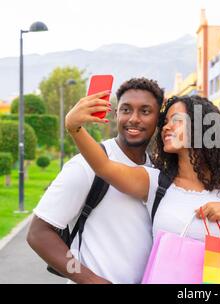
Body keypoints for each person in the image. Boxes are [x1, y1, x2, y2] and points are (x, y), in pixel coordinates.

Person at [65, 94, 220, 259]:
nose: (166, 127)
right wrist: (75, 128)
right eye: (166, 122)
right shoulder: (156, 183)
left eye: (176, 121)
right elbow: (104, 166)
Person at [27, 77, 164, 284]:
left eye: (145, 111)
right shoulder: (84, 165)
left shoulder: (158, 169)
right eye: (126, 110)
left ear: (158, 119)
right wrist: (88, 279)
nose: (134, 119)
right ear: (116, 113)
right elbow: (38, 233)